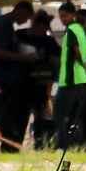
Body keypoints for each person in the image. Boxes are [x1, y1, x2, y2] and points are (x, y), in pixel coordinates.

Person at [0, 1, 34, 153]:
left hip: (8, 77)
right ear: (20, 11)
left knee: (13, 111)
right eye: (26, 17)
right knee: (10, 112)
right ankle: (8, 145)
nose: (25, 21)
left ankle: (11, 144)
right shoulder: (4, 24)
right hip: (5, 77)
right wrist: (23, 57)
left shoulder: (8, 24)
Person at [53, 2, 86, 150]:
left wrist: (82, 63)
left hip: (71, 78)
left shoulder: (71, 30)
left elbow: (76, 51)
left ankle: (63, 145)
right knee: (75, 114)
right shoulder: (81, 29)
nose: (62, 19)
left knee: (59, 113)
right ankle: (75, 143)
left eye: (65, 16)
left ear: (73, 15)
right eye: (60, 16)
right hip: (81, 78)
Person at [21, 10, 60, 148]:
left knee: (40, 114)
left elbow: (55, 63)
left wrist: (50, 84)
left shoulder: (48, 41)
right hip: (28, 83)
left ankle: (39, 142)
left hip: (41, 83)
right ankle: (31, 140)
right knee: (30, 113)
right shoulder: (24, 36)